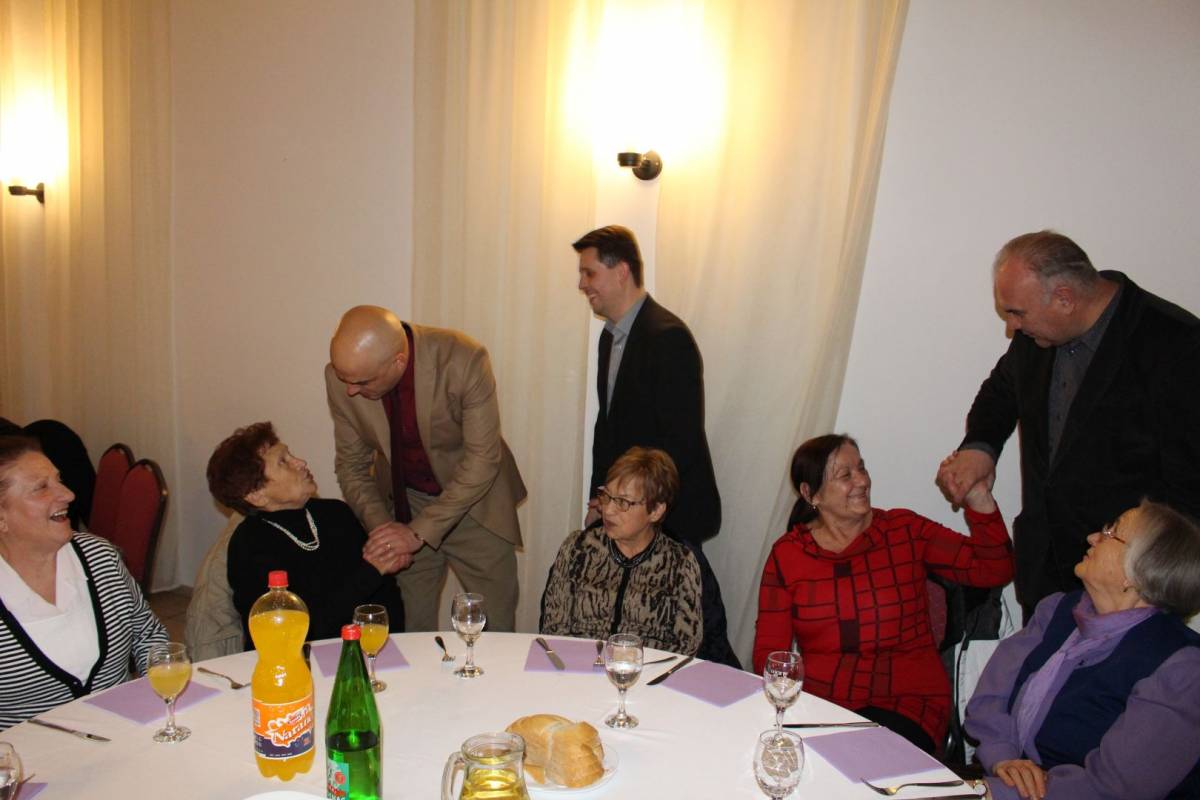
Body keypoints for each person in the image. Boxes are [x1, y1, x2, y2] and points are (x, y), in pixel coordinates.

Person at [936, 231, 1200, 620]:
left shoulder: (1176, 344)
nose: (1012, 327)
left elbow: (1190, 485)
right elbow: (1002, 391)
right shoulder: (1036, 334)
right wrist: (980, 448)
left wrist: (1158, 579)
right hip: (1044, 576)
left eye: (1017, 313)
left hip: (1128, 588)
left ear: (1064, 298)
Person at [754, 434, 1014, 753]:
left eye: (861, 468)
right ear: (811, 494)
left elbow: (995, 570)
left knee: (860, 761)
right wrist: (782, 706)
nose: (862, 481)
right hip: (821, 704)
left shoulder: (904, 530)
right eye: (845, 475)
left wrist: (979, 499)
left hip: (907, 703)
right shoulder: (788, 554)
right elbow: (770, 652)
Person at [965, 500, 1200, 799]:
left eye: (1111, 533)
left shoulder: (1181, 667)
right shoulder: (1057, 610)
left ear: (1139, 571)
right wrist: (1002, 759)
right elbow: (991, 695)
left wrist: (996, 793)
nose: (1092, 537)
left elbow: (1113, 788)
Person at [326, 305, 525, 632]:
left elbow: (482, 460)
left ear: (398, 362)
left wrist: (419, 532)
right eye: (343, 377)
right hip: (406, 502)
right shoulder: (344, 378)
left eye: (361, 382)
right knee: (409, 626)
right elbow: (351, 466)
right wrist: (386, 532)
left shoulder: (462, 359)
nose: (350, 390)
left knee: (493, 625)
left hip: (475, 504)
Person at [0, 435, 166, 730]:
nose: (68, 494)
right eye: (41, 487)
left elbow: (147, 633)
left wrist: (161, 692)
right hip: (26, 755)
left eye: (59, 480)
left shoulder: (99, 556)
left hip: (127, 739)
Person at [573, 225, 720, 546]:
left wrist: (640, 511)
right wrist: (600, 499)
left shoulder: (669, 337)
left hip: (667, 517)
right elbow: (607, 429)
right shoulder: (609, 338)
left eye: (589, 273)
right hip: (628, 514)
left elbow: (680, 441)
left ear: (621, 271)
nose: (582, 284)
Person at [207, 422, 405, 645]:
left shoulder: (336, 513)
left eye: (290, 454)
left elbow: (385, 594)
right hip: (297, 657)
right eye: (283, 462)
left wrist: (385, 644)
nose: (300, 462)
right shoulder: (249, 544)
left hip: (369, 647)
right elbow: (301, 628)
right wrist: (371, 572)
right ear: (256, 495)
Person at [540, 447, 703, 656]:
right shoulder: (578, 549)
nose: (608, 510)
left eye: (623, 502)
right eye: (606, 496)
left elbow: (685, 647)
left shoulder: (679, 564)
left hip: (646, 671)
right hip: (577, 667)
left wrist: (627, 660)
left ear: (656, 511)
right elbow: (553, 629)